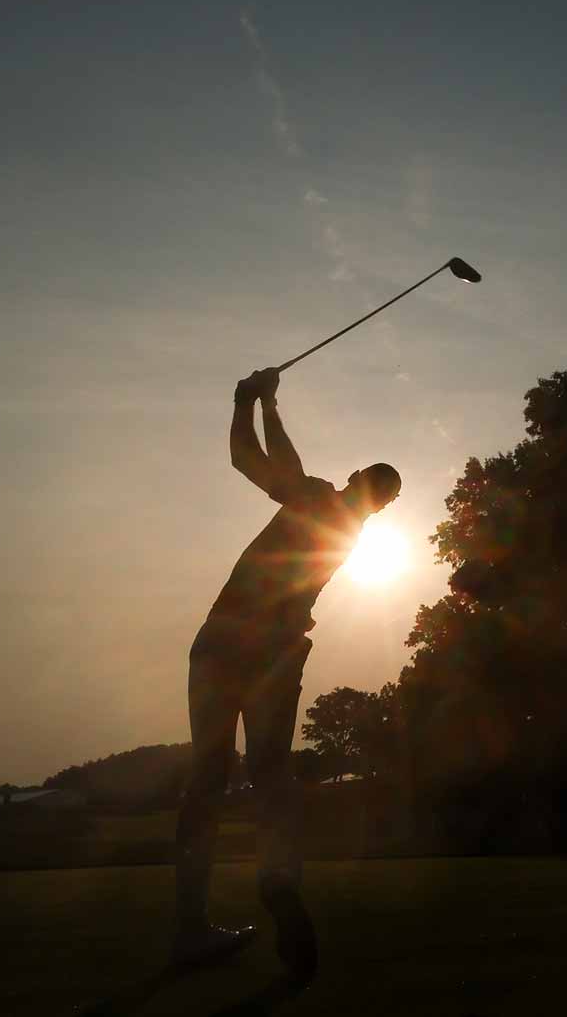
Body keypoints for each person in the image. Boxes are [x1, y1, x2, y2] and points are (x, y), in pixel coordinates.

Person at [172, 366, 401, 977]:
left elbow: (249, 460)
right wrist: (263, 403)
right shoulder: (348, 526)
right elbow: (278, 466)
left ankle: (189, 928)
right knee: (272, 776)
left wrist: (255, 401)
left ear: (356, 482)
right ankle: (277, 877)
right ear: (384, 508)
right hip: (274, 652)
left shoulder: (323, 500)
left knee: (207, 782)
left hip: (222, 642)